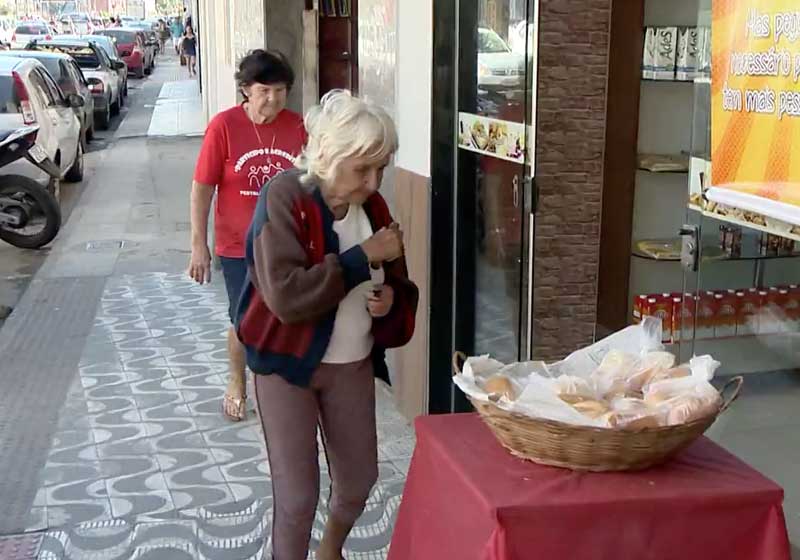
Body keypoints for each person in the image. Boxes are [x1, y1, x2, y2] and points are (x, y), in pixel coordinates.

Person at [235, 89, 418, 559]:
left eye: (382, 167)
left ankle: (329, 551)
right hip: (285, 366)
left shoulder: (373, 208)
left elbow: (400, 283)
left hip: (351, 365)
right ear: (329, 156)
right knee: (297, 498)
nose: (375, 181)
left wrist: (392, 297)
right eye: (363, 169)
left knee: (360, 480)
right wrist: (361, 259)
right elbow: (287, 296)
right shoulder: (285, 196)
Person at [188, 50, 306, 422]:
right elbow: (202, 188)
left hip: (288, 244)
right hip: (238, 246)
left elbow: (312, 183)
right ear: (245, 90)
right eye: (264, 90)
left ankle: (285, 385)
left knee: (288, 313)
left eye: (281, 90)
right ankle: (237, 381)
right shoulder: (224, 126)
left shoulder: (299, 127)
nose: (273, 98)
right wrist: (198, 244)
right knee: (245, 319)